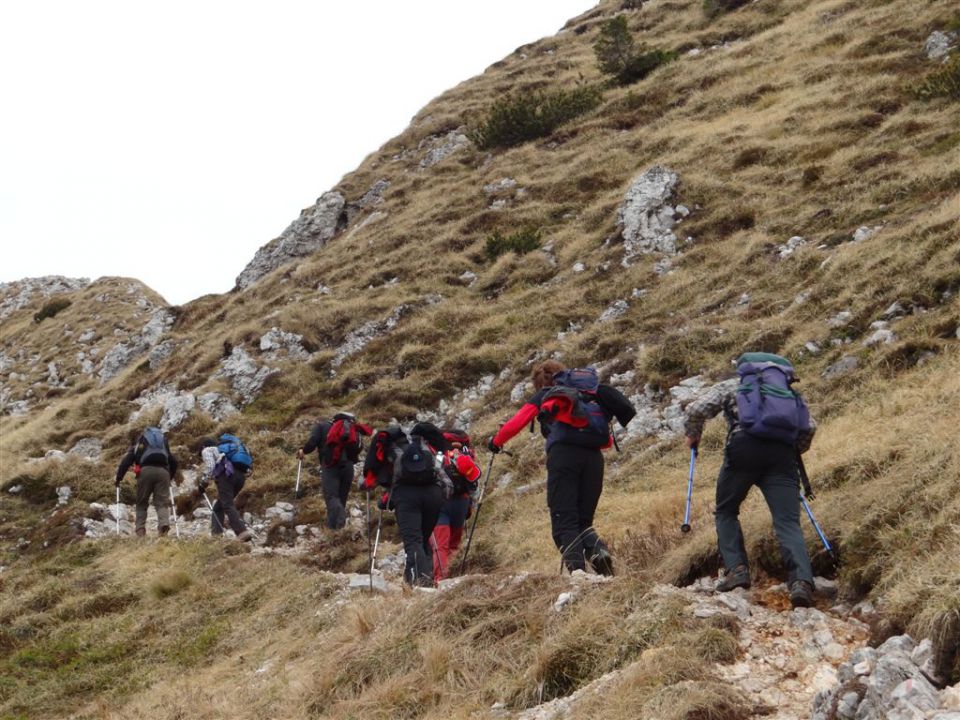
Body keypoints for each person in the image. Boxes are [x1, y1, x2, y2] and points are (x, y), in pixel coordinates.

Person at [683, 352, 817, 608]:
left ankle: (737, 571)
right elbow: (809, 427)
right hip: (781, 457)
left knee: (726, 510)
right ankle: (801, 582)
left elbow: (695, 409)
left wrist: (693, 435)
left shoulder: (734, 385)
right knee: (788, 522)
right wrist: (793, 450)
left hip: (743, 450)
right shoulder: (787, 393)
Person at [488, 361, 636, 575]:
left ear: (540, 383)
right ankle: (601, 558)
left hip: (564, 457)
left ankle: (578, 575)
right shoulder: (591, 394)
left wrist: (495, 442)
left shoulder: (547, 394)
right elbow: (607, 439)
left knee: (564, 522)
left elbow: (516, 423)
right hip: (594, 459)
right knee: (584, 522)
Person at [361, 422, 450, 587]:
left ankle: (422, 584)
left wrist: (381, 494)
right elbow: (443, 474)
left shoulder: (392, 449)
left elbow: (379, 479)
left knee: (413, 541)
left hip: (407, 496)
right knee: (423, 540)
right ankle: (413, 581)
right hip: (433, 494)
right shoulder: (424, 445)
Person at [297, 412, 372, 529]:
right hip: (348, 467)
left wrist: (303, 450)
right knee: (341, 499)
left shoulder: (321, 426)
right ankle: (335, 529)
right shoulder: (351, 429)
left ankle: (341, 518)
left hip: (330, 466)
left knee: (331, 497)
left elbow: (312, 442)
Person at [430, 429, 482, 582]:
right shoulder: (467, 454)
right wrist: (470, 506)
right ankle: (452, 578)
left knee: (440, 545)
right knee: (454, 544)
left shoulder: (439, 452)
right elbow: (474, 484)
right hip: (462, 502)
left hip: (441, 502)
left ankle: (440, 579)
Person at [115, 426, 178, 537]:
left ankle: (140, 530)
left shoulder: (140, 444)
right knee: (161, 503)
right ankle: (163, 524)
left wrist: (119, 478)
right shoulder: (163, 444)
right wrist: (170, 477)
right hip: (163, 473)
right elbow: (173, 461)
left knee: (142, 503)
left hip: (145, 472)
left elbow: (126, 461)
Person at [199, 438, 252, 542]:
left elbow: (210, 467)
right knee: (219, 507)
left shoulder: (207, 450)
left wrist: (203, 483)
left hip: (227, 476)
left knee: (227, 505)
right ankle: (216, 536)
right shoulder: (231, 453)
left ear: (203, 447)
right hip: (241, 477)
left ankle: (242, 532)